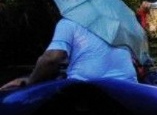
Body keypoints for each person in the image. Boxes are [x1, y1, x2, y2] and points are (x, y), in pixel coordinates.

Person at [0, 17, 138, 90]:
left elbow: (52, 59)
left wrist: (30, 81)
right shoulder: (118, 25)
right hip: (129, 86)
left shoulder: (68, 23)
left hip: (86, 89)